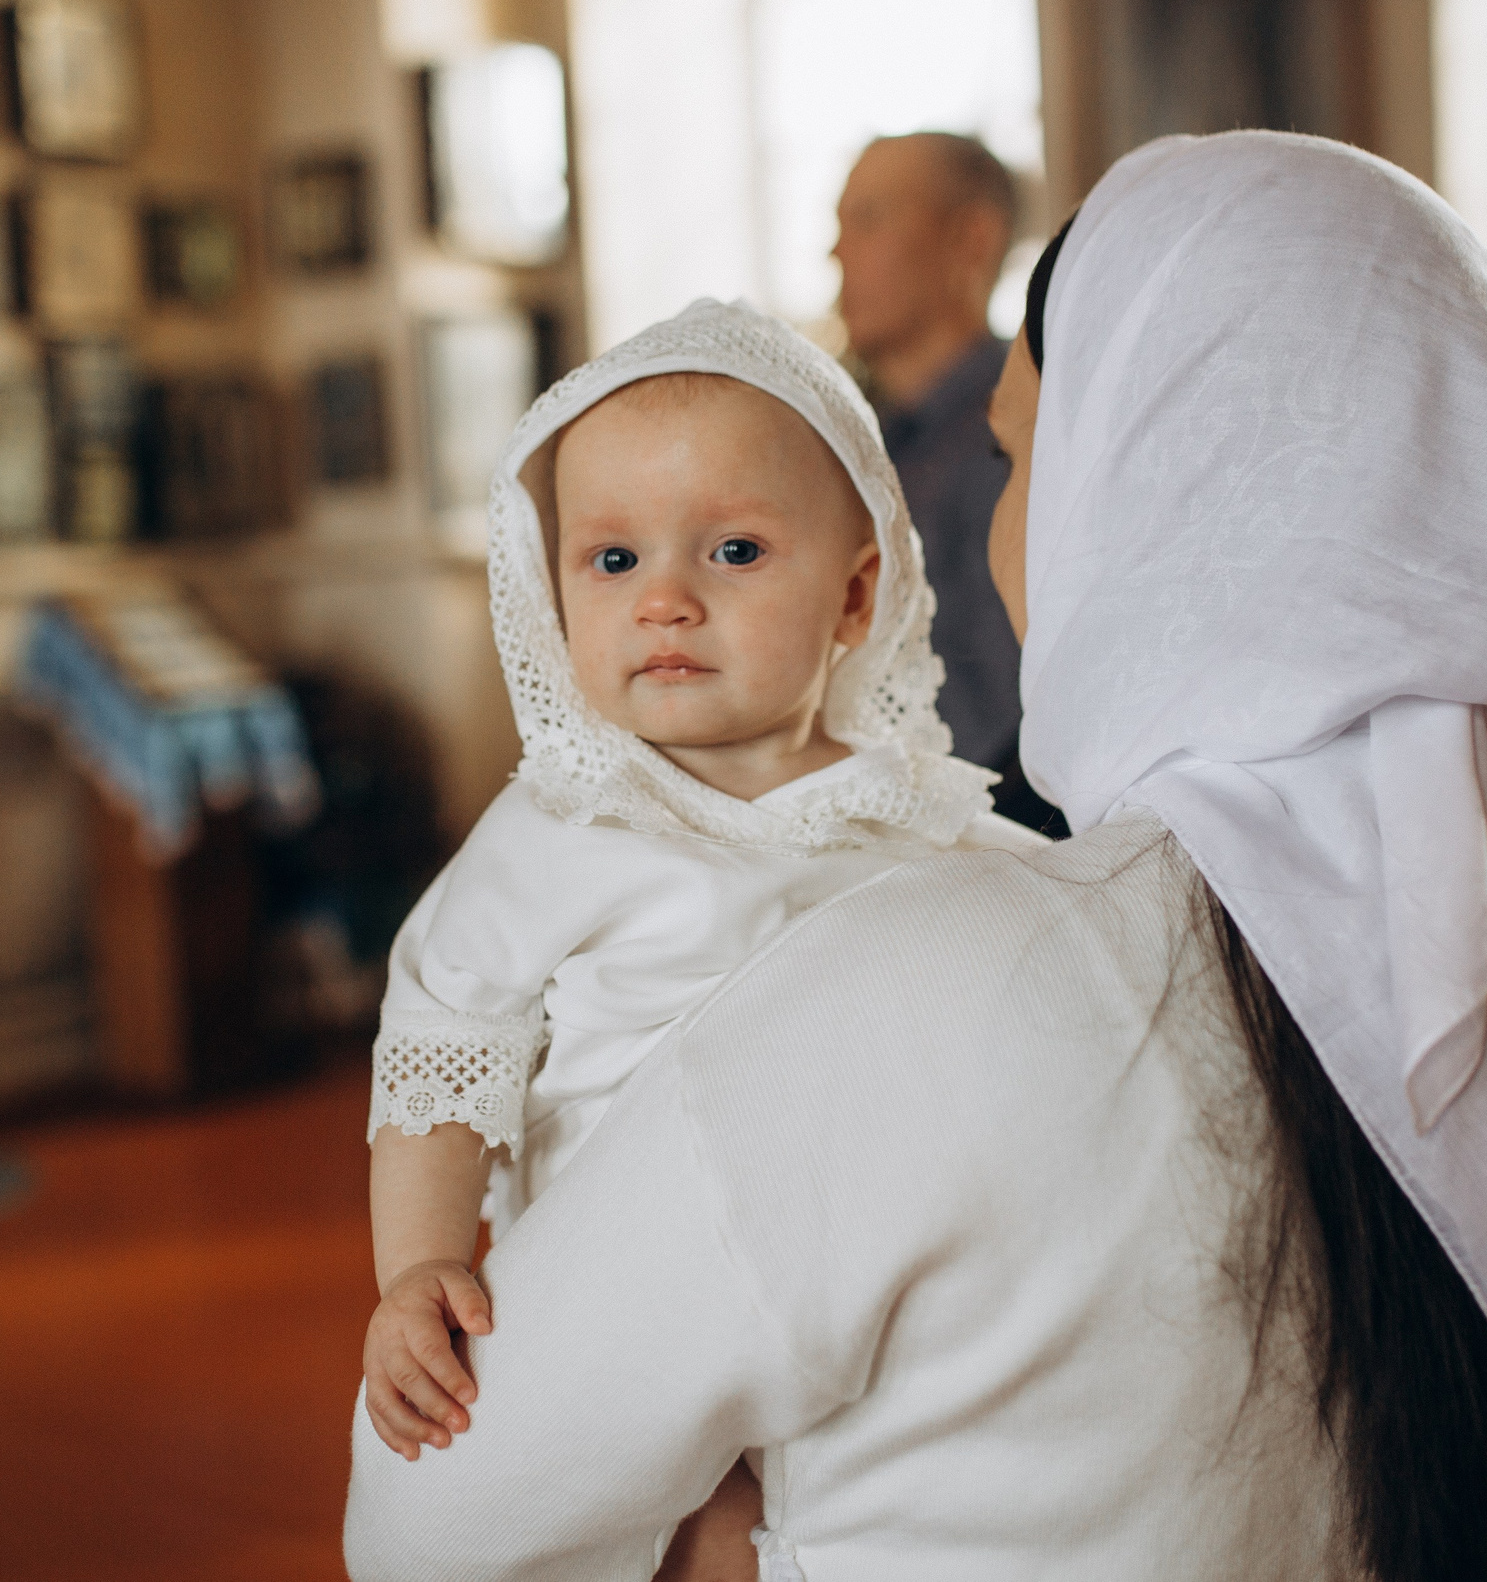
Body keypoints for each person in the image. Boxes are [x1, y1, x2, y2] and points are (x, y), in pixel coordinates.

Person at [344, 133, 1487, 1581]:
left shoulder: (928, 970)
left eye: (1025, 456)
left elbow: (422, 1518)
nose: (1004, 527)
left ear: (1145, 468)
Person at [358, 302, 1043, 1514]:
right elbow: (438, 1053)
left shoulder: (918, 814)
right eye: (612, 561)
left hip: (869, 1271)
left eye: (731, 552)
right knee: (686, 1519)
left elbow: (1028, 945)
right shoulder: (560, 827)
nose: (664, 599)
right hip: (633, 1280)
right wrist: (417, 1266)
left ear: (853, 596)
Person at [834, 134, 1057, 832]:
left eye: (868, 218)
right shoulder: (872, 437)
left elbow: (1010, 720)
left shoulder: (1013, 434)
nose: (836, 252)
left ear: (972, 239)